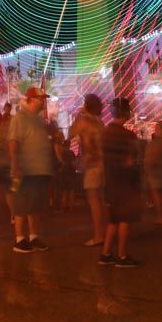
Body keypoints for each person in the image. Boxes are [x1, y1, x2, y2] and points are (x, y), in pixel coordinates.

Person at [8, 87, 54, 253]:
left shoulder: (39, 120)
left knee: (35, 205)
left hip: (40, 170)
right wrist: (15, 165)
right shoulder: (20, 118)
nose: (44, 102)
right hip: (26, 169)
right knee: (22, 204)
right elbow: (13, 142)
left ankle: (34, 237)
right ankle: (20, 239)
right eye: (41, 99)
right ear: (32, 100)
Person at [99, 98, 142, 267]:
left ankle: (106, 253)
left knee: (113, 219)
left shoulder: (106, 133)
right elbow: (131, 160)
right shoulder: (128, 136)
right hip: (126, 182)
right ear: (126, 113)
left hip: (110, 182)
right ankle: (122, 256)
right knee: (125, 219)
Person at [69, 94, 106, 247]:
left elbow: (71, 133)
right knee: (101, 200)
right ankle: (105, 232)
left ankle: (98, 236)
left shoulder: (84, 120)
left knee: (94, 202)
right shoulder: (100, 122)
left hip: (92, 164)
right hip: (102, 164)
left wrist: (79, 114)